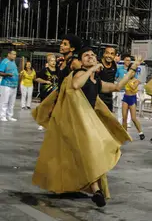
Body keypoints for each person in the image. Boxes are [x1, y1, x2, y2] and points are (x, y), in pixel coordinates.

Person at [32, 47, 141, 207]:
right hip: (75, 123)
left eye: (92, 55)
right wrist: (94, 68)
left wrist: (133, 68)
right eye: (86, 55)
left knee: (87, 156)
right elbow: (76, 84)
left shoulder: (96, 81)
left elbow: (117, 87)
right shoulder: (78, 74)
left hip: (87, 122)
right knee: (89, 154)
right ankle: (95, 190)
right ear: (82, 61)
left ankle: (94, 190)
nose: (90, 57)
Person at [120, 55, 144, 140]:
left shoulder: (136, 80)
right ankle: (124, 134)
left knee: (133, 118)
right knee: (124, 118)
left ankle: (140, 132)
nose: (132, 73)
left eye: (133, 72)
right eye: (131, 71)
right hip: (125, 97)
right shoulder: (126, 78)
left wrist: (128, 81)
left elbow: (134, 88)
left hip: (132, 98)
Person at [0, 50, 19, 121]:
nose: (15, 56)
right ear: (9, 54)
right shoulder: (4, 62)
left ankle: (9, 116)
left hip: (14, 85)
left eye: (15, 55)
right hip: (6, 85)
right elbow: (0, 72)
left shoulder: (13, 62)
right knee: (4, 101)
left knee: (12, 102)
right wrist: (7, 74)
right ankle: (2, 116)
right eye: (13, 54)